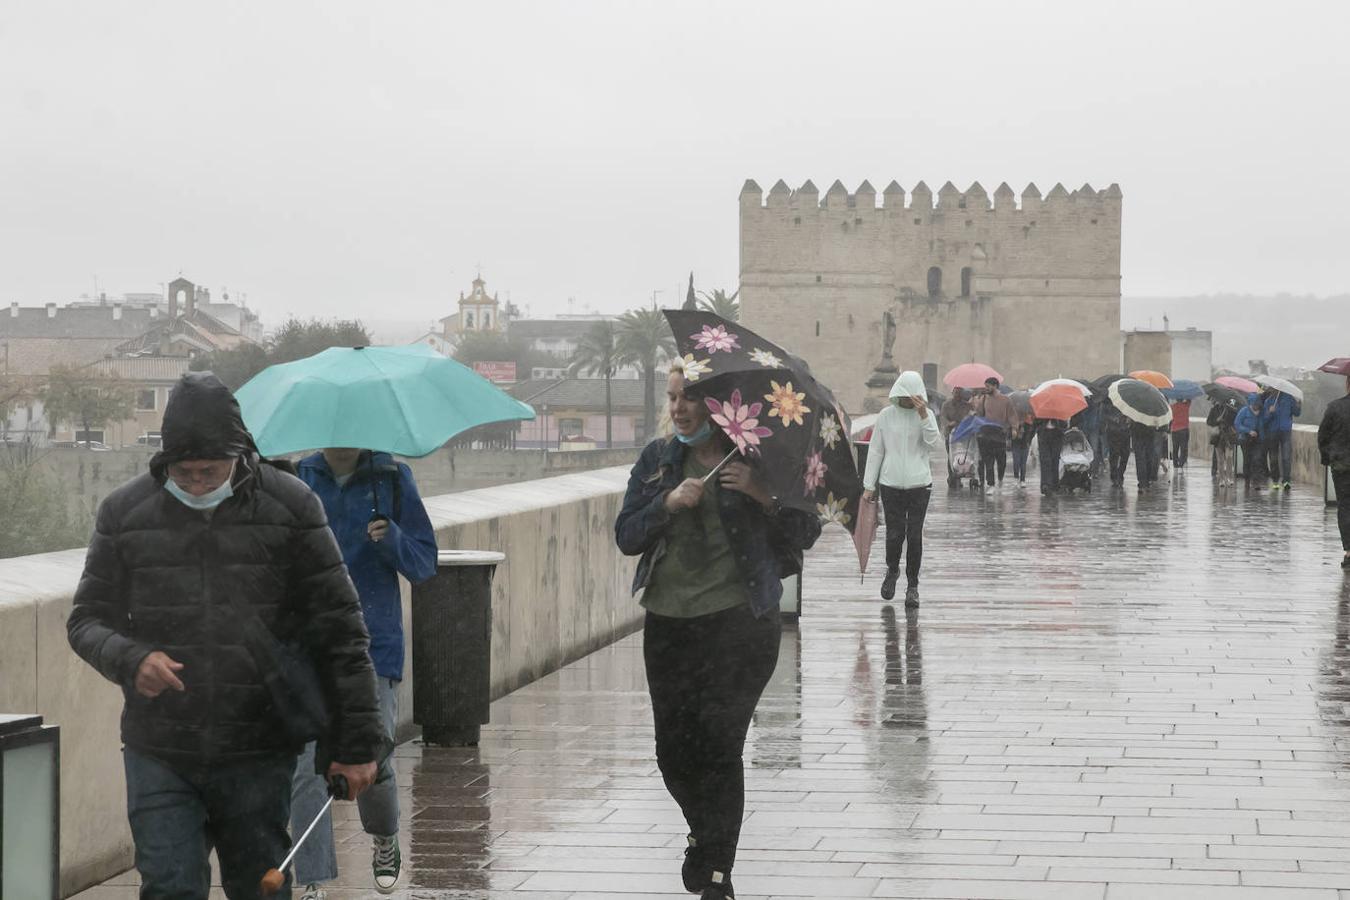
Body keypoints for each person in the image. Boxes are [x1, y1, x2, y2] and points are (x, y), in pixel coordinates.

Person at [67, 373, 385, 900]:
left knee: (258, 886)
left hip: (258, 747)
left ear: (239, 456)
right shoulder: (124, 513)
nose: (194, 484)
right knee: (169, 885)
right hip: (159, 746)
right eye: (182, 472)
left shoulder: (292, 506)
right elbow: (86, 621)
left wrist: (357, 745)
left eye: (207, 472)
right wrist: (131, 658)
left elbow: (342, 631)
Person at [615, 362, 822, 900]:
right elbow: (626, 535)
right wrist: (666, 503)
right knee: (673, 752)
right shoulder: (658, 462)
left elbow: (806, 530)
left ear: (719, 405)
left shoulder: (758, 459)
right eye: (672, 398)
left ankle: (716, 874)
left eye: (689, 398)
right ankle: (706, 836)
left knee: (720, 744)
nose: (679, 408)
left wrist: (762, 495)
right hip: (669, 622)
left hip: (742, 623)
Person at [289, 448, 438, 898]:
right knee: (306, 767)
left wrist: (392, 538)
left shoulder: (391, 477)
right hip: (311, 644)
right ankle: (313, 879)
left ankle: (384, 835)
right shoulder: (301, 479)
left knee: (375, 757)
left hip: (375, 642)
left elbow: (424, 563)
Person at [863, 371, 941, 604]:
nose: (909, 401)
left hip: (919, 484)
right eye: (906, 397)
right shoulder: (886, 416)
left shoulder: (926, 416)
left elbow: (933, 444)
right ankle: (892, 570)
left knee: (914, 535)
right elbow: (876, 449)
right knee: (895, 533)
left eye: (914, 397)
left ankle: (913, 585)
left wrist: (924, 415)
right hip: (891, 484)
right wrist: (869, 484)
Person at [1317, 374, 1350, 567]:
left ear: (1347, 383)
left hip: (1341, 466)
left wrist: (1327, 457)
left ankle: (1348, 551)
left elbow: (1323, 436)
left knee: (1345, 507)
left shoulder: (1335, 407)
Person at [975, 377, 1018, 493]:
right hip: (985, 433)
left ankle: (1000, 478)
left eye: (988, 386)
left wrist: (1014, 428)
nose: (986, 388)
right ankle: (991, 484)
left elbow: (1012, 415)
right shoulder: (983, 398)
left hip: (1000, 433)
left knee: (1001, 460)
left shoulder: (1006, 400)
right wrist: (977, 403)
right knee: (988, 460)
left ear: (995, 386)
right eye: (985, 386)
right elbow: (978, 414)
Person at [1264, 388, 1303, 491]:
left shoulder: (1289, 398)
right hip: (1272, 432)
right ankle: (1275, 480)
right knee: (1273, 457)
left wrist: (1298, 405)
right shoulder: (1269, 401)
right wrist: (1270, 412)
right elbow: (1264, 419)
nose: (1273, 390)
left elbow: (1296, 413)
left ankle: (1286, 480)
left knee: (1286, 457)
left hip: (1285, 431)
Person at [940, 387, 973, 485]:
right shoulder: (946, 405)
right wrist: (949, 423)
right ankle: (953, 475)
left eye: (959, 393)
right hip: (950, 434)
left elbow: (970, 416)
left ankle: (965, 471)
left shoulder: (967, 405)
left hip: (963, 435)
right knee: (951, 455)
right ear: (952, 393)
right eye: (955, 392)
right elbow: (943, 417)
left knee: (964, 454)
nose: (957, 395)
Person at [1208, 400, 1239, 488]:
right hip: (1218, 437)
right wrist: (1217, 420)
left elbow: (1235, 422)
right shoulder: (1214, 409)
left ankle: (1229, 478)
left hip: (1228, 436)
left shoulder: (1232, 409)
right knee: (1220, 460)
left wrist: (1227, 419)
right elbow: (1209, 422)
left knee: (1229, 458)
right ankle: (1221, 479)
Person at [1235, 394, 1263, 488]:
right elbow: (1237, 424)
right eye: (1255, 405)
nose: (1257, 406)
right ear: (1251, 404)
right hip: (1245, 439)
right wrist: (1248, 431)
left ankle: (1256, 481)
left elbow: (1264, 423)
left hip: (1257, 439)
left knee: (1257, 459)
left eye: (1258, 405)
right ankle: (1247, 479)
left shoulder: (1261, 412)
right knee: (1247, 460)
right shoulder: (1244, 411)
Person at [1035, 416, 1067, 495]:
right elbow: (1036, 421)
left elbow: (1064, 424)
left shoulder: (1060, 410)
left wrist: (1057, 421)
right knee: (1045, 460)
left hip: (1057, 435)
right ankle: (1045, 485)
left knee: (1054, 461)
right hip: (1044, 434)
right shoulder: (1043, 410)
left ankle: (1054, 485)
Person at [1104, 402, 1132, 487]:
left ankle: (1120, 475)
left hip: (1125, 431)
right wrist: (1113, 419)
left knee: (1125, 455)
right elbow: (1104, 414)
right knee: (1114, 455)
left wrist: (1129, 418)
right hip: (1113, 431)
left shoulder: (1128, 399)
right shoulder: (1108, 399)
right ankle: (1114, 476)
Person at [1131, 419, 1158, 492]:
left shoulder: (1136, 409)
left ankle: (1143, 482)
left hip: (1142, 435)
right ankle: (1145, 481)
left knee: (1142, 460)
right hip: (1145, 435)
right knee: (1146, 459)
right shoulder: (1153, 409)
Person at [1010, 410, 1035, 487]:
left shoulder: (1029, 421)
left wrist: (1029, 441)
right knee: (1016, 461)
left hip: (1025, 444)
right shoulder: (1014, 419)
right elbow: (1009, 430)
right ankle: (1016, 478)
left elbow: (1032, 432)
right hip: (1015, 443)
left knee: (1023, 463)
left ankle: (1022, 480)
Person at [1170, 397, 1192, 471]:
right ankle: (1181, 464)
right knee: (1183, 448)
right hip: (1184, 429)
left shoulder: (1172, 407)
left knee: (1175, 448)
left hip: (1174, 430)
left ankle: (1175, 464)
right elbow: (1189, 400)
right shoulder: (1186, 405)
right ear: (1182, 399)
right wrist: (1186, 395)